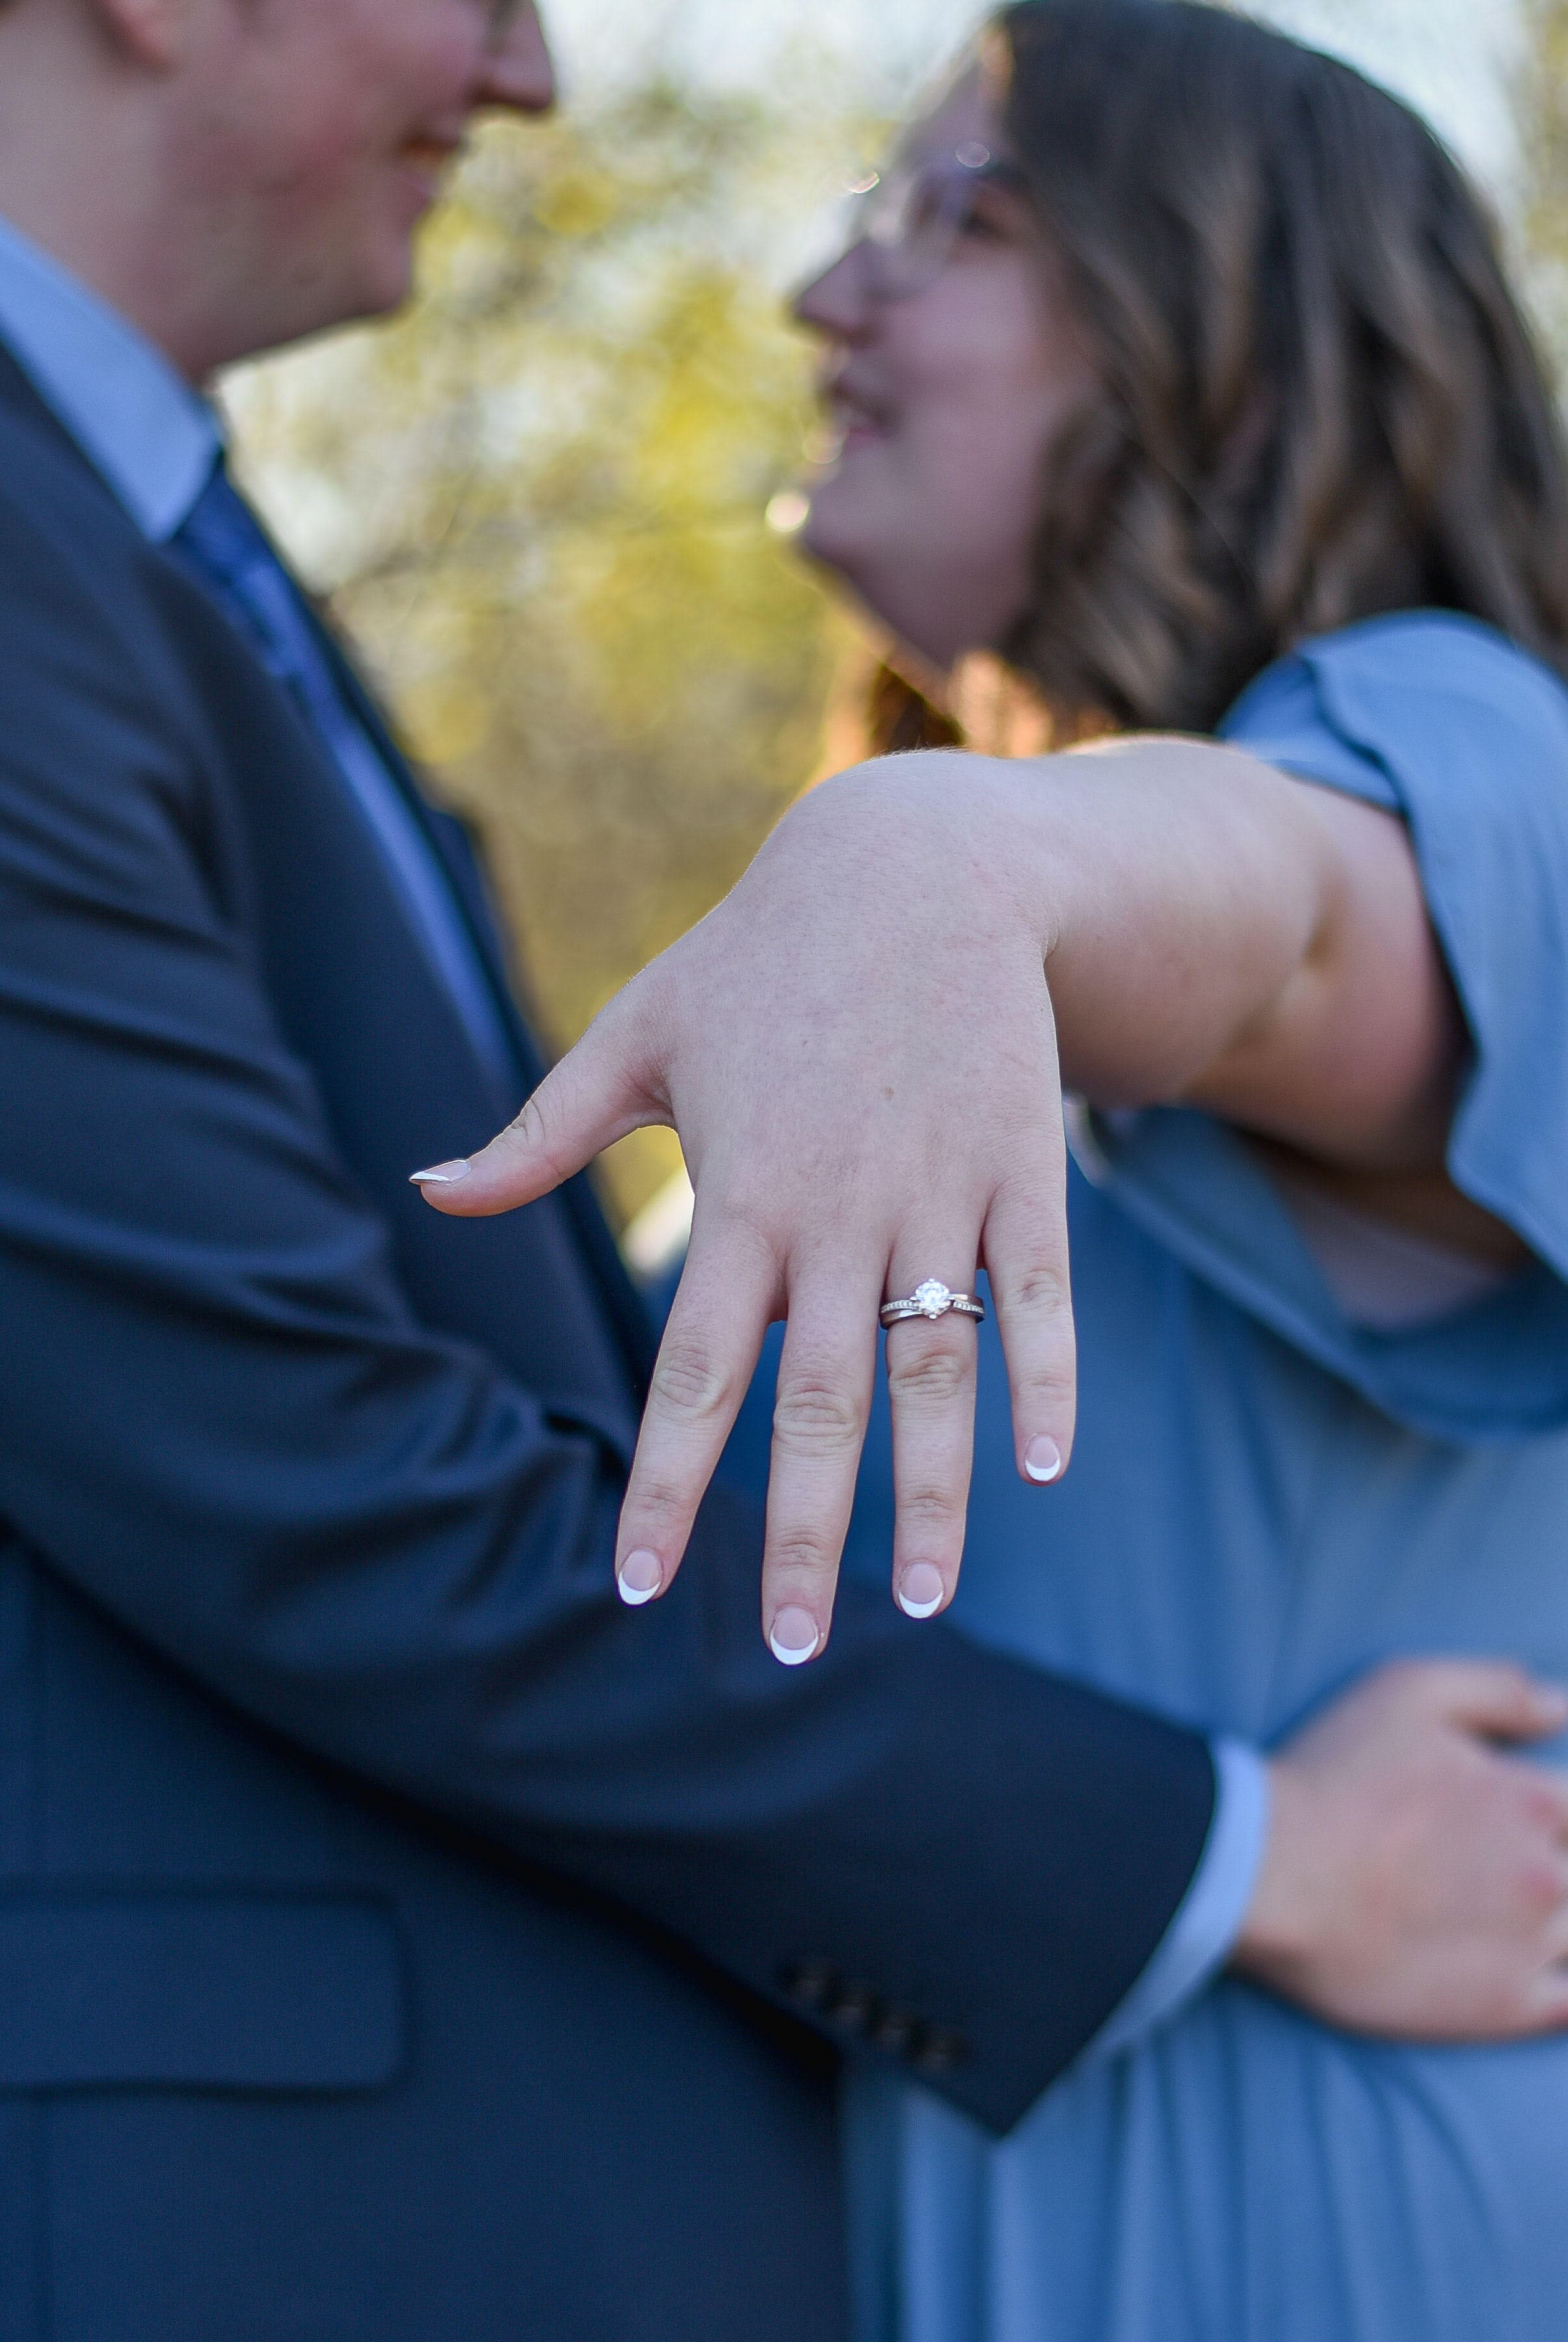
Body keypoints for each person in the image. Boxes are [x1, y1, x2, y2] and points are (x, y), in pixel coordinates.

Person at [2, 1, 1565, 2335]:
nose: (821, 292)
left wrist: (943, 843)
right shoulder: (868, 1024)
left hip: (1290, 2210)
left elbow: (1273, 930)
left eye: (955, 217)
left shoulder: (1460, 755)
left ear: (1225, 320)